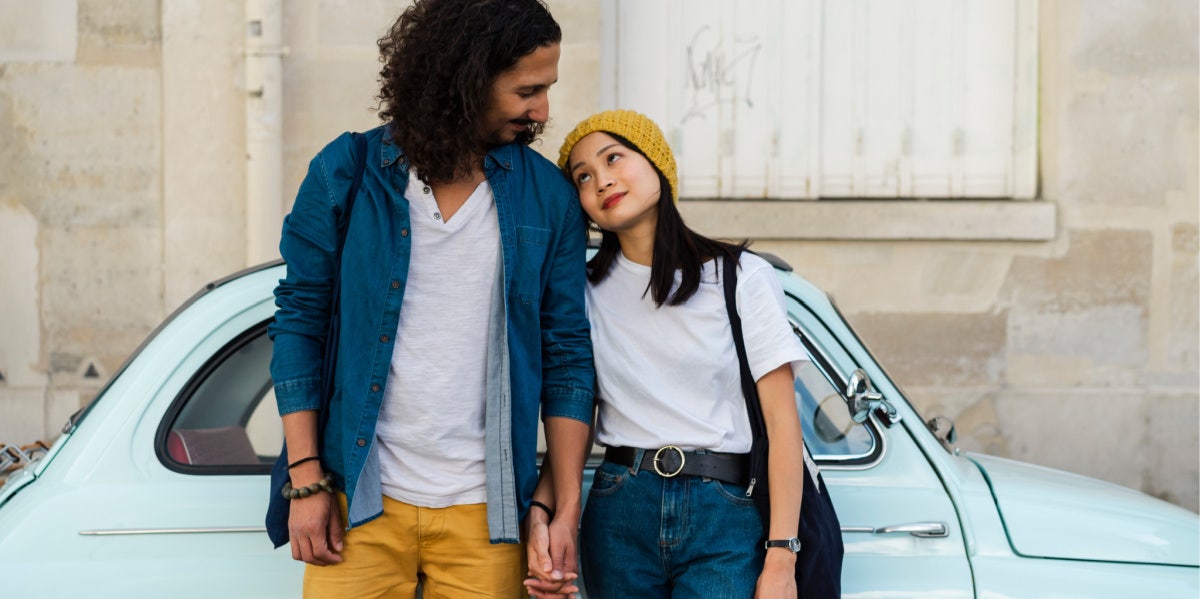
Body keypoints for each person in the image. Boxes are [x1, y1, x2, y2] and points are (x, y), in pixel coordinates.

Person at [268, 1, 594, 596]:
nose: (543, 110)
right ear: (467, 79)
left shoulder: (547, 197)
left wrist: (563, 507)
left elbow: (568, 355)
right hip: (357, 501)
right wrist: (307, 479)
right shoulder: (347, 172)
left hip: (487, 514)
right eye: (528, 90)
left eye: (547, 89)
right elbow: (299, 324)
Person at [529, 109, 810, 598]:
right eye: (583, 176)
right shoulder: (583, 289)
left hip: (724, 509)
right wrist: (545, 510)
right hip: (619, 505)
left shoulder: (740, 276)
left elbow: (784, 424)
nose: (602, 181)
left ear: (656, 161)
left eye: (614, 157)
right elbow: (574, 409)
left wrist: (781, 557)